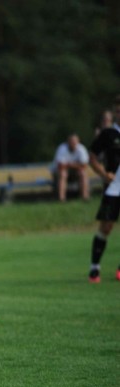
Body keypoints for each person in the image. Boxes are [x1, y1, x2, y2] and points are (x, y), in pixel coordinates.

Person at [86, 95, 120, 284]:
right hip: (114, 188)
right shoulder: (108, 134)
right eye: (118, 110)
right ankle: (94, 267)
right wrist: (103, 173)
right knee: (106, 227)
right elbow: (92, 156)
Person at [52, 133, 91, 202]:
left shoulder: (81, 149)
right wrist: (77, 165)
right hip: (61, 172)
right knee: (63, 174)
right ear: (68, 142)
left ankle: (85, 197)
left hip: (75, 171)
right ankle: (61, 199)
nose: (73, 143)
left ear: (78, 142)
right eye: (71, 141)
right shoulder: (62, 148)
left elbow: (84, 166)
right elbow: (60, 166)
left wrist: (69, 164)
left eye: (74, 141)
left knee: (83, 173)